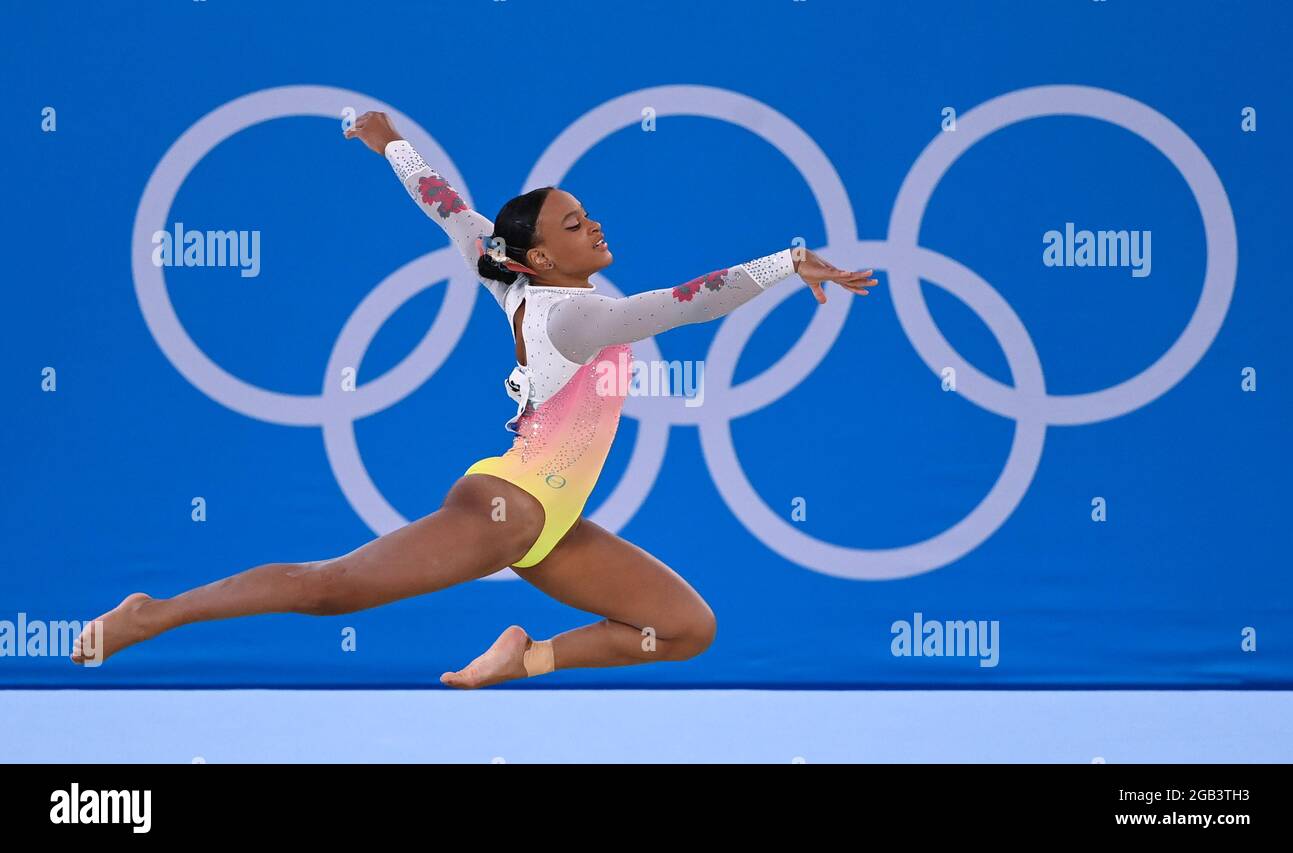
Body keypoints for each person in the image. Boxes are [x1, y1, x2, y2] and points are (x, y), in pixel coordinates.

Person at [71, 111, 876, 688]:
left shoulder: (518, 284)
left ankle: (522, 655)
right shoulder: (580, 316)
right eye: (573, 224)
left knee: (685, 629)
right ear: (536, 254)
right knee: (328, 588)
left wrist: (389, 139)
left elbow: (447, 206)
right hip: (510, 507)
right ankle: (154, 611)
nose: (592, 227)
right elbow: (687, 302)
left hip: (550, 524)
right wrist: (788, 261)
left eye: (587, 215)